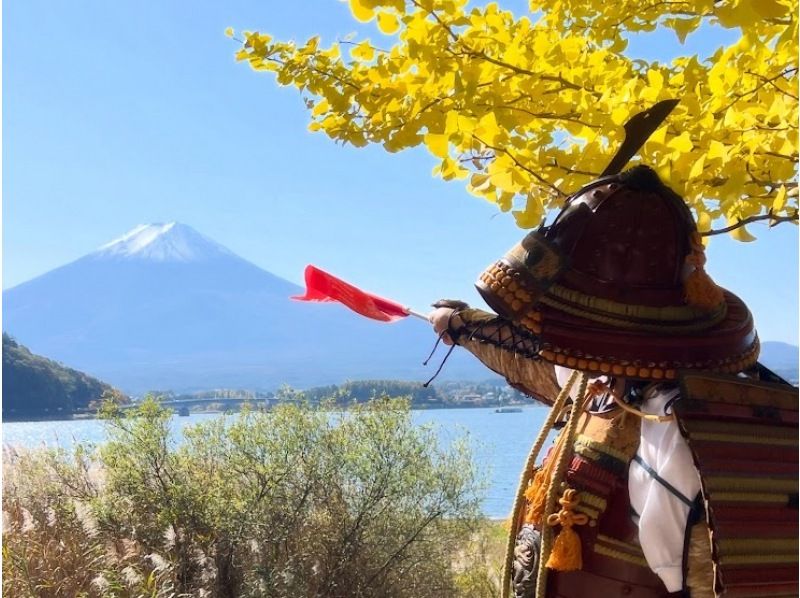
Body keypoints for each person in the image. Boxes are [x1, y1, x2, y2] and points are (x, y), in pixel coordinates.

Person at [427, 166, 796, 598]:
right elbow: (542, 362)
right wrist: (464, 325)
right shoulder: (604, 385)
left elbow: (710, 579)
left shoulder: (683, 426)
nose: (556, 338)